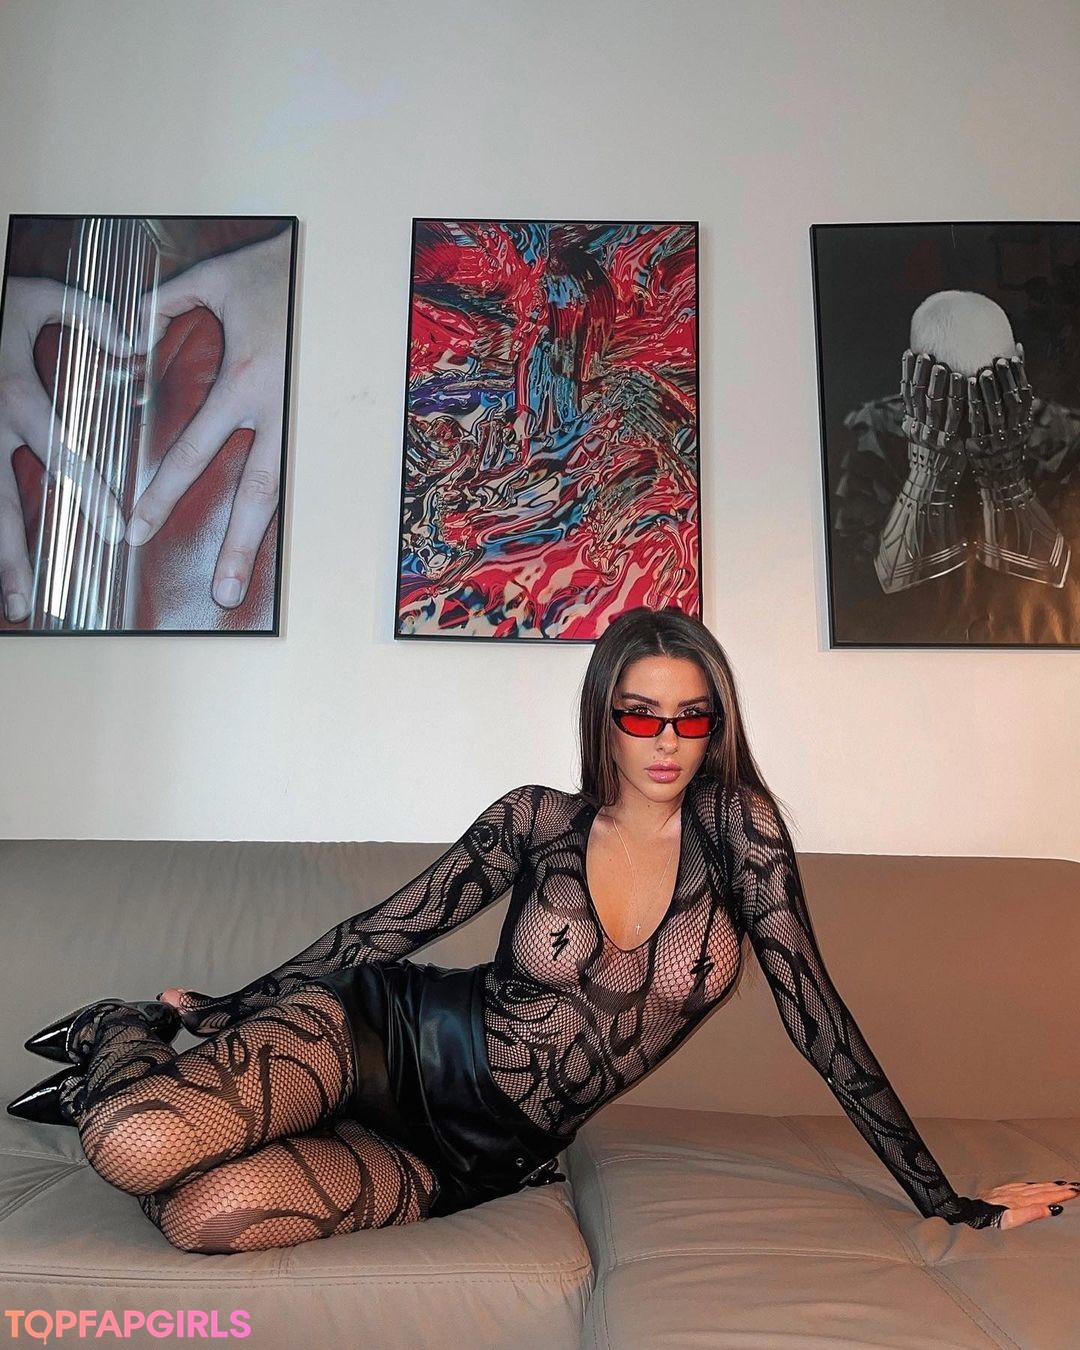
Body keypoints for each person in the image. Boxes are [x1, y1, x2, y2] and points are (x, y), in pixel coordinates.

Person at [9, 606, 1077, 1252]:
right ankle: (122, 1031)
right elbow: (385, 931)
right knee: (132, 1142)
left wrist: (947, 1201)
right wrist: (234, 1008)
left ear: (717, 724)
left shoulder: (741, 834)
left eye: (692, 716)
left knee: (204, 1218)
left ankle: (202, 1100)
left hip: (484, 1156)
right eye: (641, 713)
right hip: (388, 1038)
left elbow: (818, 1019)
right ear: (604, 713)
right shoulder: (537, 820)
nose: (666, 740)